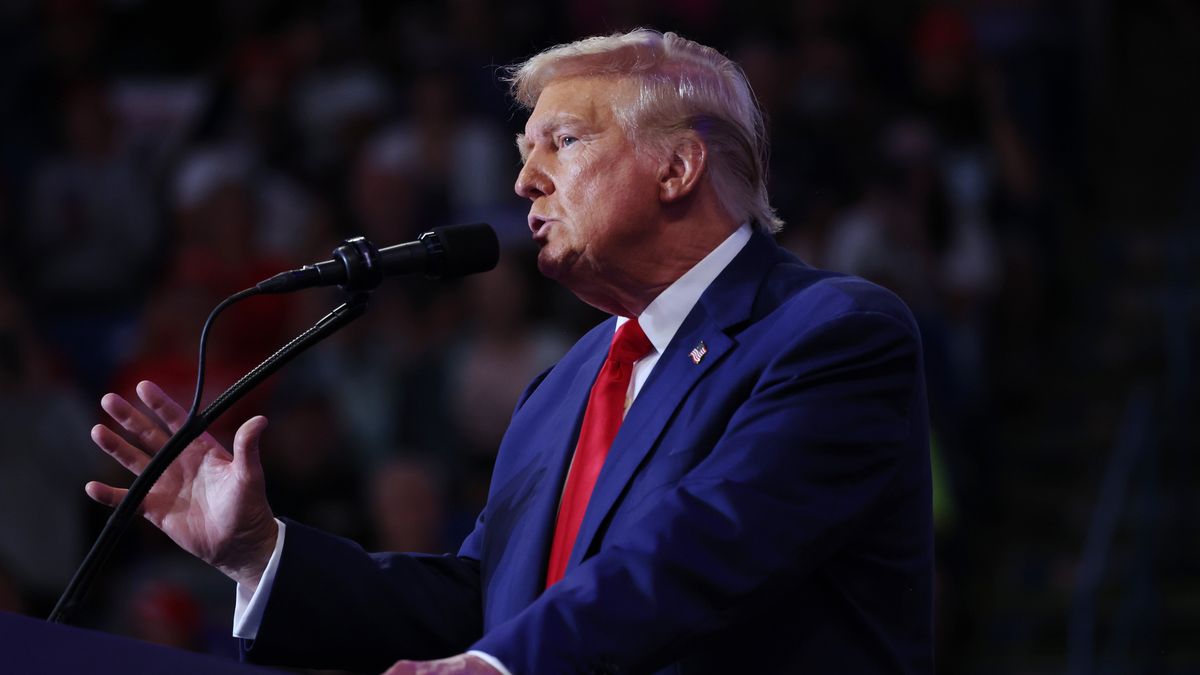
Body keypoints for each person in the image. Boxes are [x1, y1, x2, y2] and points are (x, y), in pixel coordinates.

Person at [86, 29, 933, 674]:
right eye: (524, 152)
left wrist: (501, 666)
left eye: (563, 141)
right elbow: (485, 602)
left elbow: (706, 546)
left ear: (678, 168)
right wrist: (261, 551)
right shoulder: (562, 387)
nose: (525, 180)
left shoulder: (831, 332)